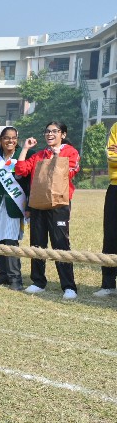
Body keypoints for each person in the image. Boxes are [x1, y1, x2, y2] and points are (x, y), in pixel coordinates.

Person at [14, 122, 80, 299]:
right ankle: (38, 282)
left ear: (63, 134)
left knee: (60, 243)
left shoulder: (70, 152)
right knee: (37, 242)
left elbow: (72, 172)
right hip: (38, 204)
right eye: (47, 131)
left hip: (59, 204)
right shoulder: (40, 154)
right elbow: (21, 170)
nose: (50, 134)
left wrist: (57, 158)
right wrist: (25, 149)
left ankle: (68, 286)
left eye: (54, 131)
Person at [0, 127, 30, 290]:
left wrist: (29, 205)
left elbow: (29, 182)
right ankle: (3, 275)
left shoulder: (23, 154)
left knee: (10, 240)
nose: (10, 141)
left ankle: (15, 279)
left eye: (14, 138)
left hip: (15, 204)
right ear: (1, 140)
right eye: (7, 138)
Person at [96, 121, 117, 297]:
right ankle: (108, 284)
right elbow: (112, 157)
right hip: (115, 187)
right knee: (111, 236)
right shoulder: (116, 127)